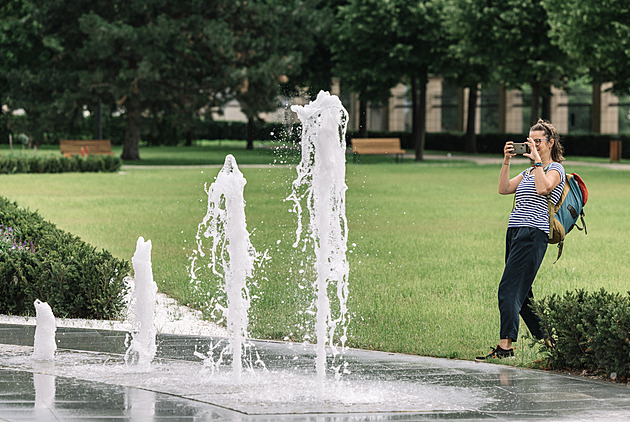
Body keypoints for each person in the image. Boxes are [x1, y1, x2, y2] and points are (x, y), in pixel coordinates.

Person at [476, 119, 565, 361]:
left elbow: (543, 189)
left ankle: (505, 347)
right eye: (530, 141)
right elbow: (504, 189)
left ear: (550, 143)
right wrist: (506, 162)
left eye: (539, 141)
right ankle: (552, 345)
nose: (533, 145)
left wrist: (537, 161)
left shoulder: (555, 169)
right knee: (523, 296)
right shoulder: (527, 171)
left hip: (533, 233)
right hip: (515, 231)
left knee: (508, 289)